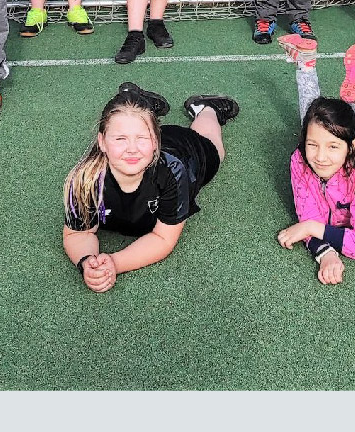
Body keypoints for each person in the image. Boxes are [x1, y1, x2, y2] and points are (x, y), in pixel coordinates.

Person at [62, 82, 239, 292]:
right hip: (152, 144)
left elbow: (163, 238)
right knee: (135, 120)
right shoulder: (86, 179)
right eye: (120, 139)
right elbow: (77, 234)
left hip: (187, 150)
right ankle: (140, 104)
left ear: (155, 141)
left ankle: (207, 108)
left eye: (141, 138)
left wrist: (115, 263)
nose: (132, 149)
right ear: (102, 141)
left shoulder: (172, 171)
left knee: (215, 149)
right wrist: (88, 262)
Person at [275, 34, 355, 285]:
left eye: (333, 148)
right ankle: (305, 63)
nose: (320, 157)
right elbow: (308, 213)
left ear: (349, 149)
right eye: (311, 146)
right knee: (315, 122)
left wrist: (311, 228)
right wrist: (325, 253)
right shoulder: (301, 160)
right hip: (342, 148)